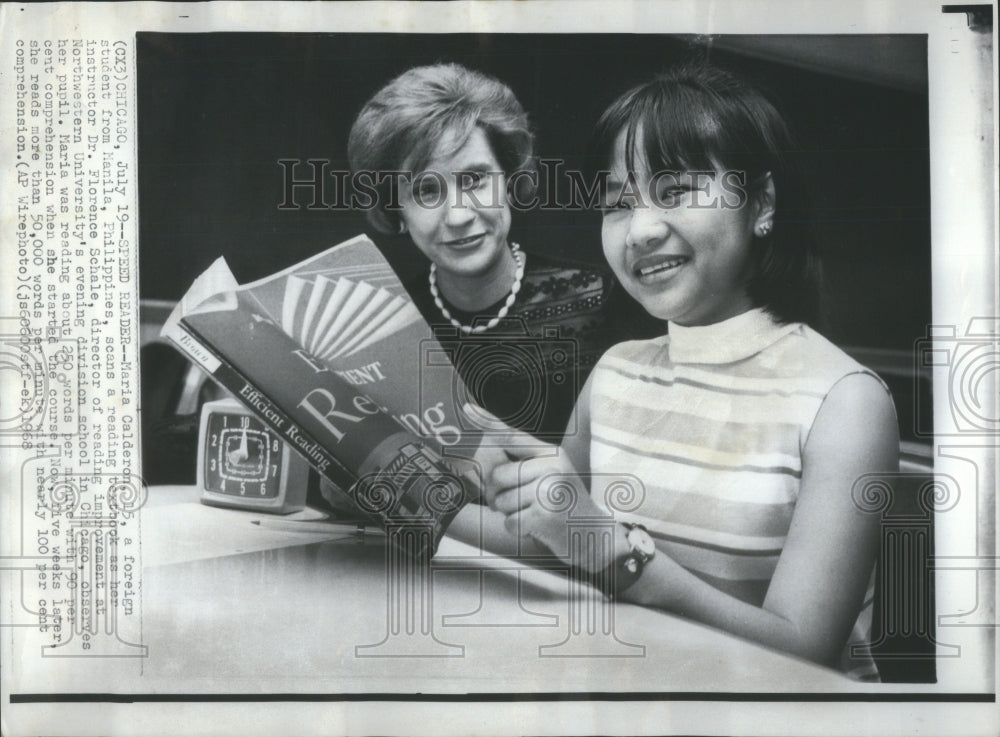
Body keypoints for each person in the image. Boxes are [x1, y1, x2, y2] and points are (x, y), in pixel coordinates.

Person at [480, 64, 899, 680]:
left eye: (675, 191)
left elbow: (804, 652)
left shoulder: (845, 401)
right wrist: (394, 483)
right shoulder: (617, 371)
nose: (643, 229)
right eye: (618, 204)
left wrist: (610, 549)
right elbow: (555, 544)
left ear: (760, 203)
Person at [347, 63, 655, 441]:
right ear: (396, 210)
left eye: (475, 179)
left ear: (511, 178)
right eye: (426, 191)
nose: (458, 215)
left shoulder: (605, 302)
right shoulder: (383, 326)